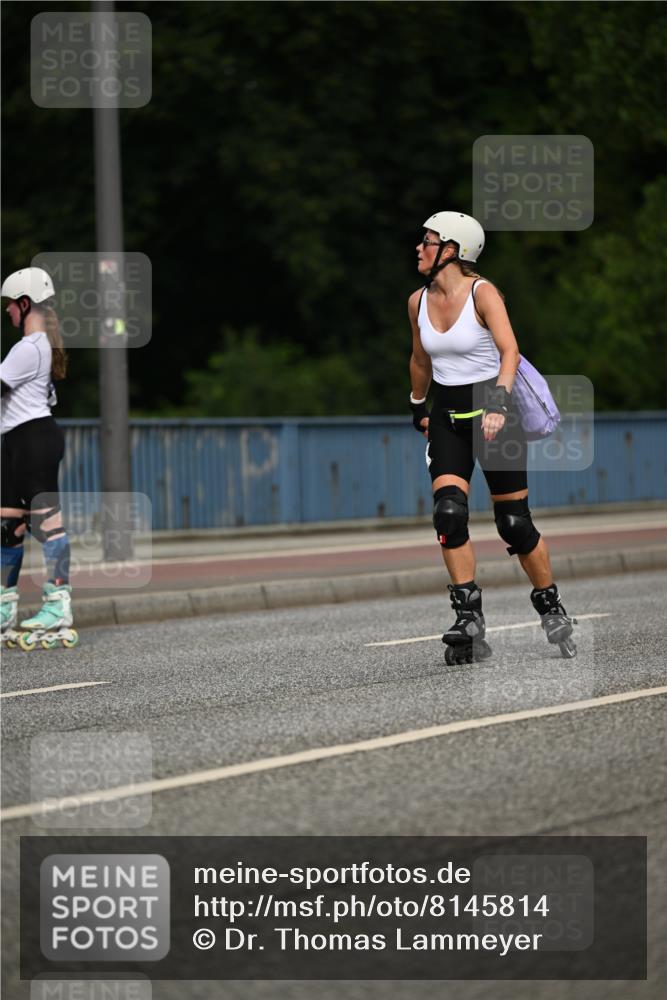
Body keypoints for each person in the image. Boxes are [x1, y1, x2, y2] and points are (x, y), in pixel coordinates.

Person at [408, 212, 575, 663]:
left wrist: (499, 404)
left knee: (513, 523)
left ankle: (549, 603)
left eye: (428, 241)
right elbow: (420, 359)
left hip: (494, 412)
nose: (419, 249)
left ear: (453, 250)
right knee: (448, 513)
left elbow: (509, 350)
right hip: (447, 414)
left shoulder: (483, 293)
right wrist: (418, 404)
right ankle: (468, 617)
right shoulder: (417, 302)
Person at [0, 267, 78, 649]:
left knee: (48, 524)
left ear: (25, 303)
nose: (7, 312)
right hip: (16, 441)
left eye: (10, 305)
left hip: (33, 440)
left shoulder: (29, 348)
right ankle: (4, 606)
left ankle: (58, 603)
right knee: (8, 526)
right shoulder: (35, 347)